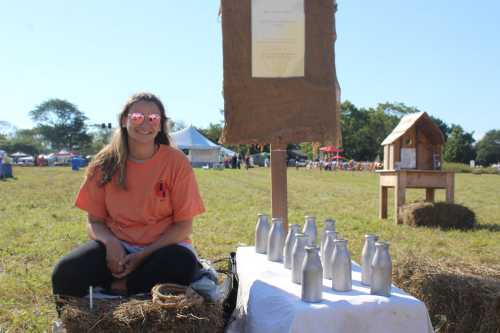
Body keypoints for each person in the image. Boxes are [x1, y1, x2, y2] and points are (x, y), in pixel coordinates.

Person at [52, 92, 205, 298]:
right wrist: (111, 244)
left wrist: (143, 255)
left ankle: (119, 287)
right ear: (124, 120)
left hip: (160, 248)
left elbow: (183, 225)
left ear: (160, 124)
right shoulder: (105, 161)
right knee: (65, 272)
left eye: (152, 118)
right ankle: (121, 291)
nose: (145, 123)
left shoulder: (176, 162)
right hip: (117, 247)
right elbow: (95, 221)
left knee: (181, 263)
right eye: (137, 117)